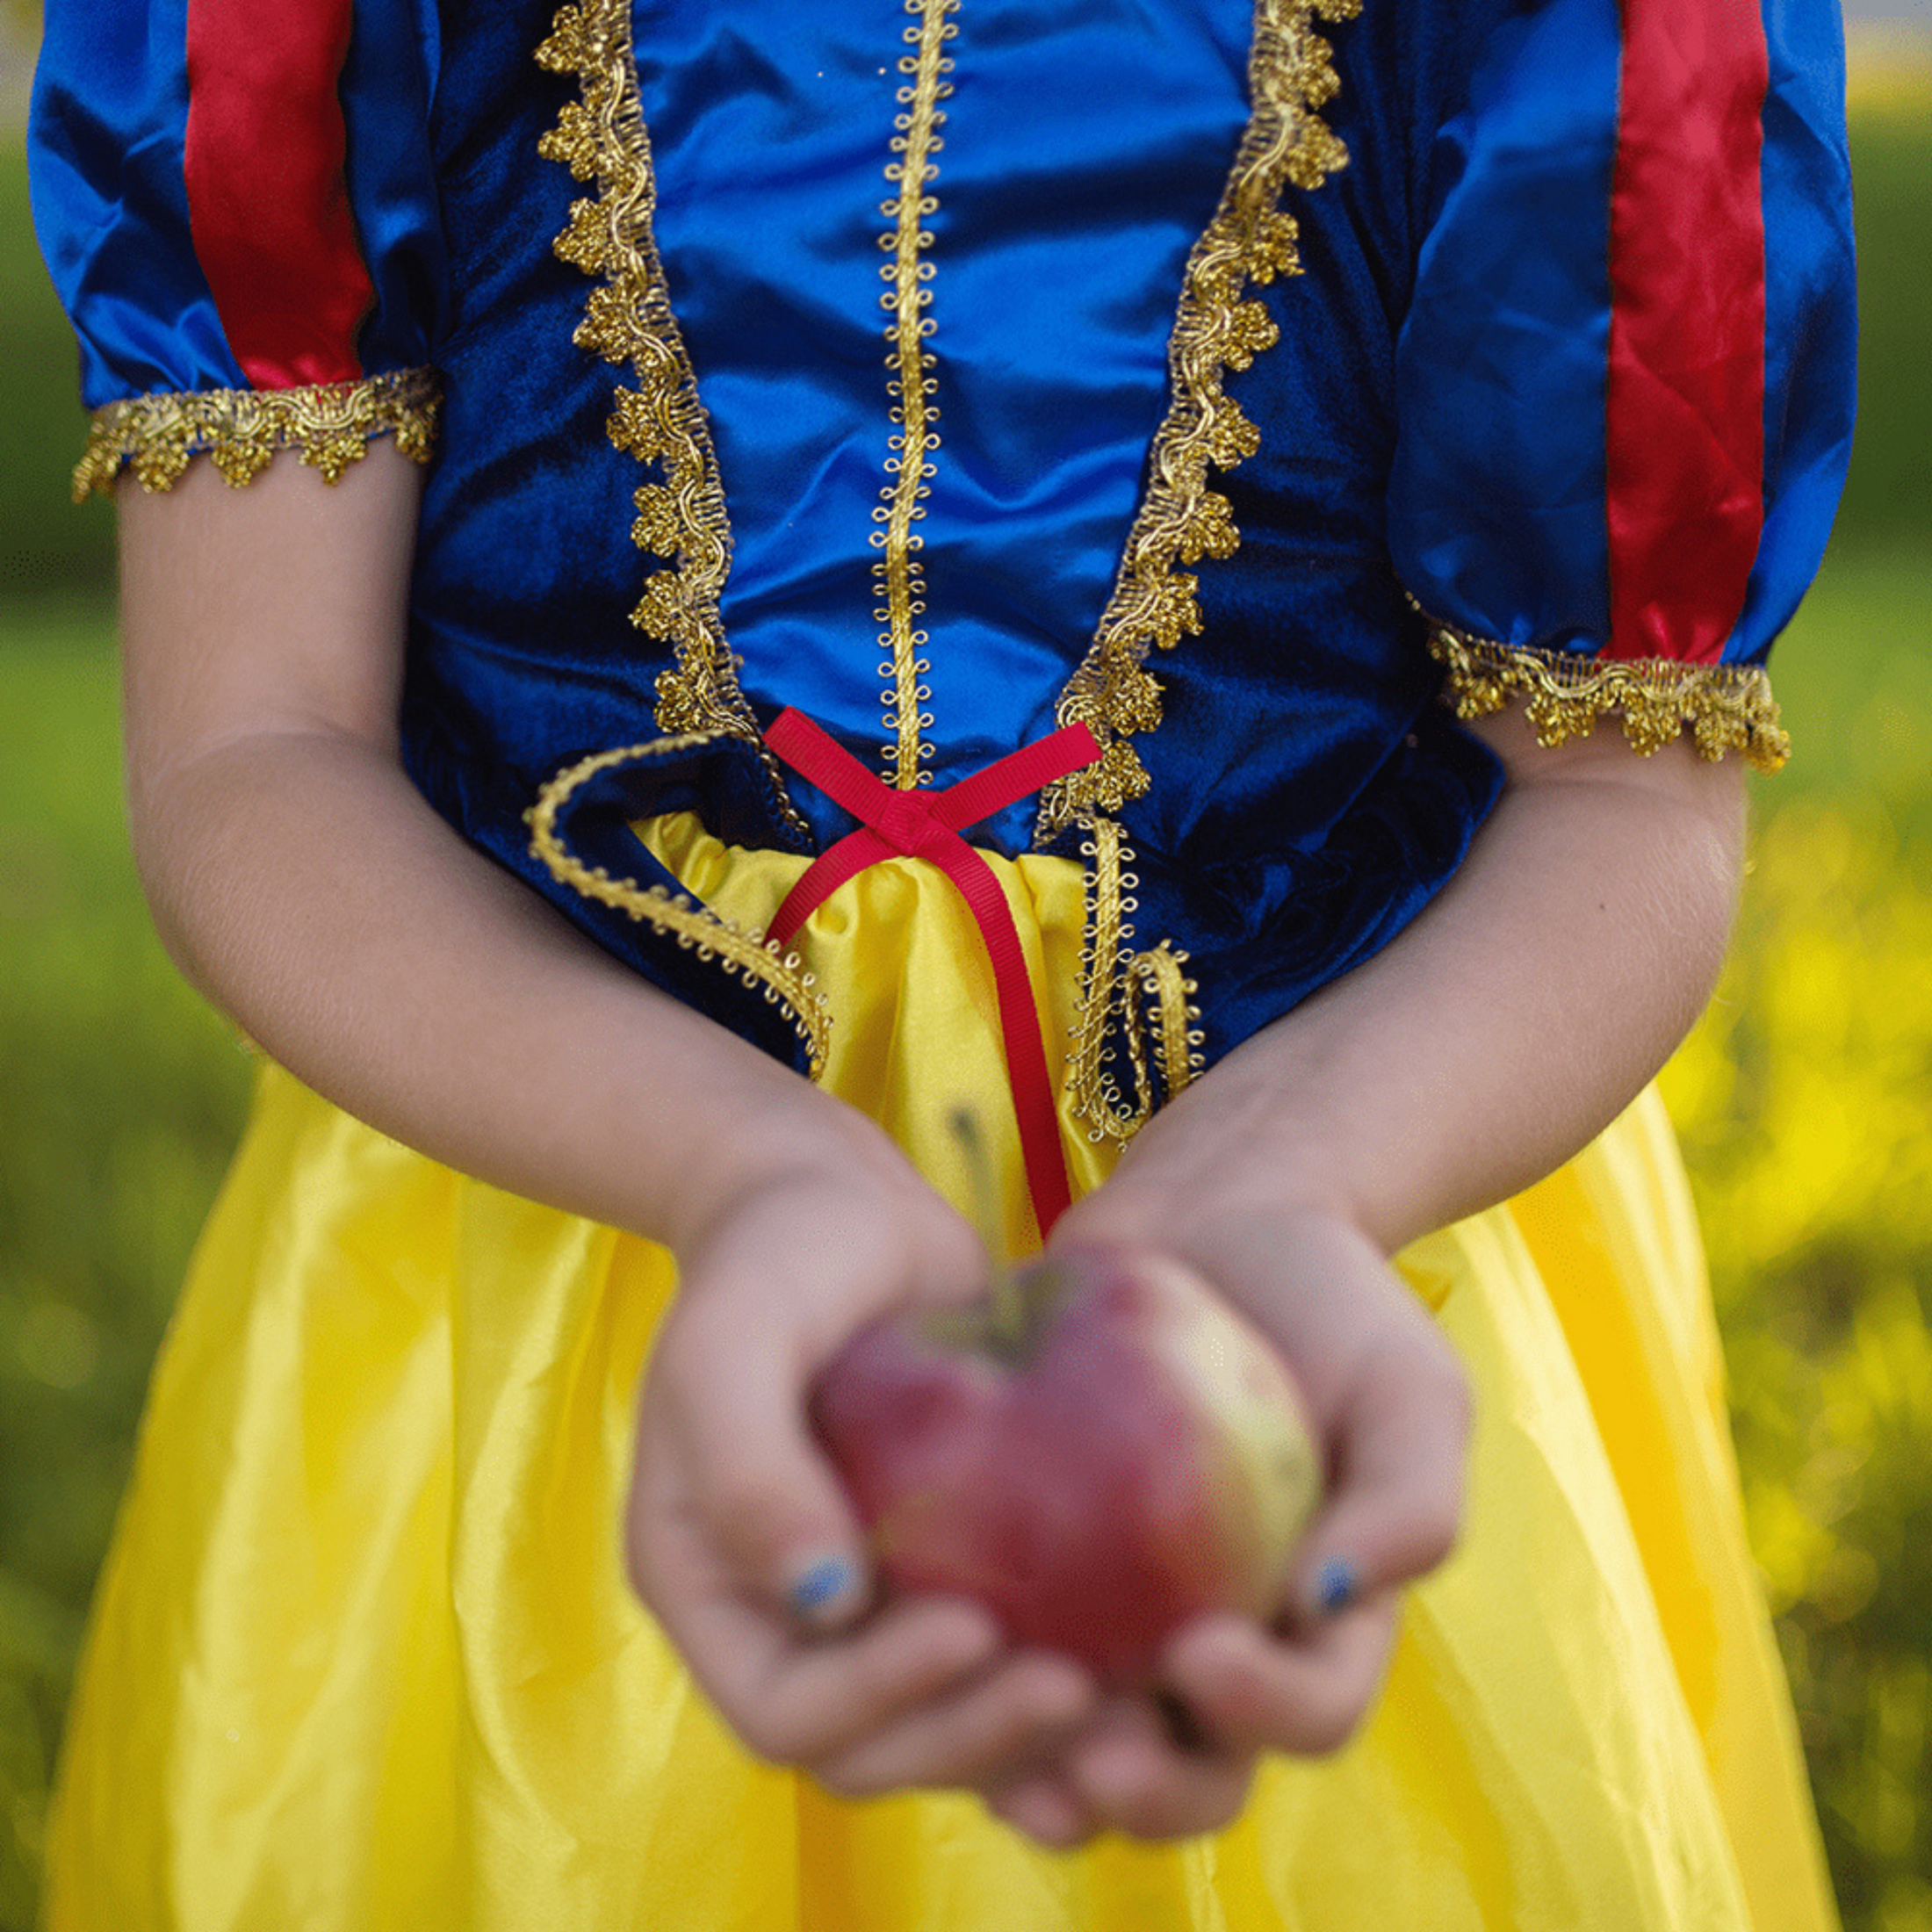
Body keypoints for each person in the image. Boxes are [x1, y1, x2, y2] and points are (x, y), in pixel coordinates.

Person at [28, 0, 1855, 1923]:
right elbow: (254, 741)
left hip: (1342, 1155)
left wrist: (1292, 1192)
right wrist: (731, 1164)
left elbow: (1619, 800)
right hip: (546, 1150)